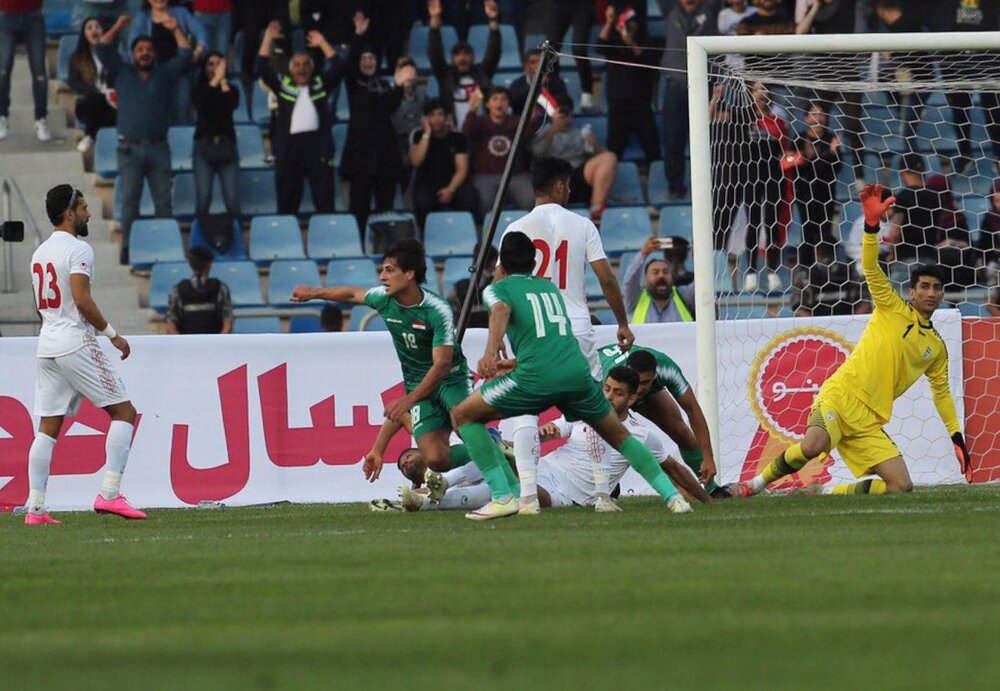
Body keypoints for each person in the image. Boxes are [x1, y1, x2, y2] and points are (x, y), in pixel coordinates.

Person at [728, 183, 970, 498]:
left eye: (936, 288)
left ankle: (822, 492)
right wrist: (871, 226)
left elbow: (941, 394)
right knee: (814, 445)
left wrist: (956, 435)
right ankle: (753, 486)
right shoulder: (890, 305)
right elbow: (870, 266)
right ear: (912, 292)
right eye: (924, 286)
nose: (931, 293)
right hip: (841, 396)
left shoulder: (936, 347)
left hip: (869, 421)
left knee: (901, 486)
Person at [449, 231, 692, 521]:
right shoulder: (549, 289)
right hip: (576, 371)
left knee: (463, 415)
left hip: (536, 375)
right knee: (619, 434)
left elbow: (500, 310)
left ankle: (505, 495)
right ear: (535, 262)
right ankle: (674, 498)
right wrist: (515, 360)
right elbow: (550, 338)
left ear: (500, 266)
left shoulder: (496, 289)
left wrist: (491, 349)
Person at [498, 157, 635, 512]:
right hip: (574, 324)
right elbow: (606, 278)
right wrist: (622, 322)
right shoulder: (581, 225)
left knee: (525, 405)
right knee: (594, 405)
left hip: (531, 326)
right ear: (560, 185)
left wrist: (497, 337)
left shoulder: (514, 227)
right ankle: (603, 494)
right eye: (570, 185)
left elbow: (499, 286)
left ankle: (527, 495)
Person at [400, 368, 713, 512]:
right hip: (545, 467)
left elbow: (673, 468)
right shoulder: (584, 413)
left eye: (618, 393)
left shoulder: (644, 436)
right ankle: (437, 484)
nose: (609, 397)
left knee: (507, 487)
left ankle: (427, 500)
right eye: (607, 389)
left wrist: (708, 501)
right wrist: (547, 430)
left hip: (568, 493)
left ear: (633, 398)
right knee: (505, 471)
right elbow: (556, 428)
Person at [291, 239, 480, 477]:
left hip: (450, 379)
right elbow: (351, 294)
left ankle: (507, 489)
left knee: (465, 425)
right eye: (382, 270)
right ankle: (494, 447)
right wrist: (314, 293)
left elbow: (442, 364)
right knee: (436, 459)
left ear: (410, 274)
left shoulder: (437, 309)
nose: (382, 276)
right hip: (417, 382)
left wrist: (409, 400)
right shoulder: (384, 299)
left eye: (389, 270)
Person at [25, 185, 144, 524]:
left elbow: (40, 307)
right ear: (69, 212)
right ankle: (109, 495)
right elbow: (81, 299)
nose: (88, 213)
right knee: (124, 411)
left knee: (47, 427)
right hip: (75, 341)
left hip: (47, 343)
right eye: (83, 207)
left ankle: (35, 507)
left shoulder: (39, 252)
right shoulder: (78, 249)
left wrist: (54, 326)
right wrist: (112, 335)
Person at [97, 14, 192, 265]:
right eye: (140, 49)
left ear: (155, 54)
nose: (145, 53)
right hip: (128, 149)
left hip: (159, 147)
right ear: (132, 54)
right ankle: (129, 247)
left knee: (163, 203)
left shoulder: (164, 74)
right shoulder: (122, 71)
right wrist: (117, 25)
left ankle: (164, 247)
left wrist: (175, 28)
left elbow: (185, 54)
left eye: (149, 50)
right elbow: (101, 47)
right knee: (130, 204)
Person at [597, 344, 720, 494]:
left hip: (629, 388)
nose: (639, 389)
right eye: (637, 382)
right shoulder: (609, 380)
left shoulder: (666, 369)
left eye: (645, 383)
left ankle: (712, 489)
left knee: (680, 432)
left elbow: (693, 410)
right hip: (609, 387)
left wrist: (708, 457)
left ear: (655, 375)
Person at [339, 12, 417, 233]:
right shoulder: (355, 84)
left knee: (385, 210)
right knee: (359, 209)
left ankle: (384, 249)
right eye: (364, 59)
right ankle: (358, 247)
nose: (368, 61)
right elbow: (347, 65)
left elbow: (390, 105)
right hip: (360, 158)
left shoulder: (385, 86)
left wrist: (400, 86)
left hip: (385, 157)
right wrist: (357, 36)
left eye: (371, 58)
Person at [257, 20, 338, 216]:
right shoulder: (284, 87)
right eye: (298, 65)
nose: (302, 69)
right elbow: (262, 68)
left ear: (312, 68)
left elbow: (339, 67)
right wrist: (268, 37)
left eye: (306, 65)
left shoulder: (320, 85)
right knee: (287, 202)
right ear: (291, 69)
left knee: (325, 200)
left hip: (317, 147)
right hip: (290, 149)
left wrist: (322, 43)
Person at [531, 94, 618, 222]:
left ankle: (596, 209)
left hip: (577, 174)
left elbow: (601, 157)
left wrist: (594, 145)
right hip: (553, 177)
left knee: (609, 158)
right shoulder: (544, 131)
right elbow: (536, 154)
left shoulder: (580, 133)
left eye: (568, 113)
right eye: (561, 112)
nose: (565, 117)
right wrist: (553, 130)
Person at [661, 0, 717, 201]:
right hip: (676, 87)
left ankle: (712, 185)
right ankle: (675, 187)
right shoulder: (669, 9)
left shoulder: (711, 10)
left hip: (705, 86)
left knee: (710, 141)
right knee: (673, 139)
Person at [597, 4, 661, 166]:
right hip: (617, 104)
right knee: (614, 152)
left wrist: (631, 43)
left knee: (653, 150)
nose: (627, 25)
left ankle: (651, 180)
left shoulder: (647, 41)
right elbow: (599, 46)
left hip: (641, 105)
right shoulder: (613, 41)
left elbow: (648, 59)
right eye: (625, 22)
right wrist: (610, 21)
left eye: (631, 22)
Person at [129, 0, 207, 125]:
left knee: (182, 111)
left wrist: (198, 51)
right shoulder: (142, 17)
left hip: (180, 70)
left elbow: (201, 32)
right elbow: (132, 45)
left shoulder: (182, 13)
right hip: (154, 73)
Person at [427, 0, 501, 128]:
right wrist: (434, 18)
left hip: (481, 134)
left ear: (473, 58)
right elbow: (434, 52)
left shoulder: (482, 73)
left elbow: (494, 51)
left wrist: (493, 19)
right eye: (458, 55)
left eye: (466, 54)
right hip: (454, 133)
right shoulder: (445, 76)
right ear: (452, 59)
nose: (462, 58)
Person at [463, 86, 537, 211]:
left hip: (516, 175)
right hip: (485, 176)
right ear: (487, 104)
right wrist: (472, 111)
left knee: (530, 200)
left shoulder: (517, 121)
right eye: (495, 99)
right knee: (485, 202)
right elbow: (466, 132)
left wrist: (533, 119)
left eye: (503, 99)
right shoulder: (480, 122)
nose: (499, 103)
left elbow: (529, 133)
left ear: (508, 104)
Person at [409, 98, 480, 228]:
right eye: (431, 115)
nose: (436, 119)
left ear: (447, 117)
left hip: (453, 183)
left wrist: (450, 189)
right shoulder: (418, 135)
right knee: (422, 201)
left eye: (440, 114)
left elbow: (462, 169)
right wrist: (427, 134)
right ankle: (424, 238)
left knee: (470, 198)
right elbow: (416, 161)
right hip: (427, 183)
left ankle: (471, 235)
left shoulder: (458, 137)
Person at [192, 51, 240, 220]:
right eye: (210, 64)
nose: (214, 68)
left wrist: (223, 80)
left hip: (227, 144)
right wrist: (214, 80)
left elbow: (231, 103)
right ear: (204, 68)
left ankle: (237, 240)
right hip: (203, 145)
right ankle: (198, 240)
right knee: (204, 198)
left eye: (218, 64)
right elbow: (201, 103)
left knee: (232, 198)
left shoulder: (231, 88)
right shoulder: (199, 87)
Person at [793, 102, 842, 268]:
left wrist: (830, 155)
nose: (818, 117)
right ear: (806, 118)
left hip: (826, 191)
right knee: (807, 231)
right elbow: (801, 166)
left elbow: (837, 167)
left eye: (821, 113)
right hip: (805, 192)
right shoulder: (799, 139)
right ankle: (805, 270)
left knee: (825, 232)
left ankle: (827, 267)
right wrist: (830, 152)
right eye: (814, 113)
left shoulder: (830, 138)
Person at [0, 0, 49, 141]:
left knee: (39, 71)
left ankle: (41, 118)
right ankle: (2, 116)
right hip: (6, 14)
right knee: (3, 69)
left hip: (33, 15)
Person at [68, 17, 118, 153]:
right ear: (84, 34)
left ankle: (96, 138)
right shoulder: (77, 57)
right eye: (89, 28)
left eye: (97, 26)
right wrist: (94, 90)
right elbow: (73, 82)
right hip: (87, 102)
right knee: (97, 100)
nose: (94, 30)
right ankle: (90, 135)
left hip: (111, 101)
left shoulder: (113, 55)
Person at [623, 237, 697, 323]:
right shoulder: (635, 299)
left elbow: (702, 285)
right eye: (655, 272)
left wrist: (699, 258)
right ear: (646, 280)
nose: (661, 276)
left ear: (672, 278)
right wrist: (644, 253)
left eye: (666, 272)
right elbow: (630, 280)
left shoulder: (683, 296)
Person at [165, 246, 234, 335]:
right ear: (209, 264)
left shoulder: (178, 289)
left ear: (189, 263)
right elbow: (228, 324)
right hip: (213, 345)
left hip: (188, 346)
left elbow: (170, 325)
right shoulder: (220, 288)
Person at [887, 153, 938, 265]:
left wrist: (891, 252)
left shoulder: (902, 196)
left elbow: (896, 232)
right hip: (930, 256)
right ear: (923, 169)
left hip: (906, 258)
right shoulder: (935, 194)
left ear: (902, 172)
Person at [545, 0, 596, 111]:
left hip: (582, 5)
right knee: (550, 49)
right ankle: (555, 93)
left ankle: (587, 93)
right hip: (559, 4)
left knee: (578, 49)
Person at [508, 47, 567, 115]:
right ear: (526, 66)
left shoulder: (557, 83)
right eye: (533, 62)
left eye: (540, 62)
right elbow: (513, 101)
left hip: (550, 122)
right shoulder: (517, 84)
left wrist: (545, 86)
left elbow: (562, 105)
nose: (537, 66)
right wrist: (537, 85)